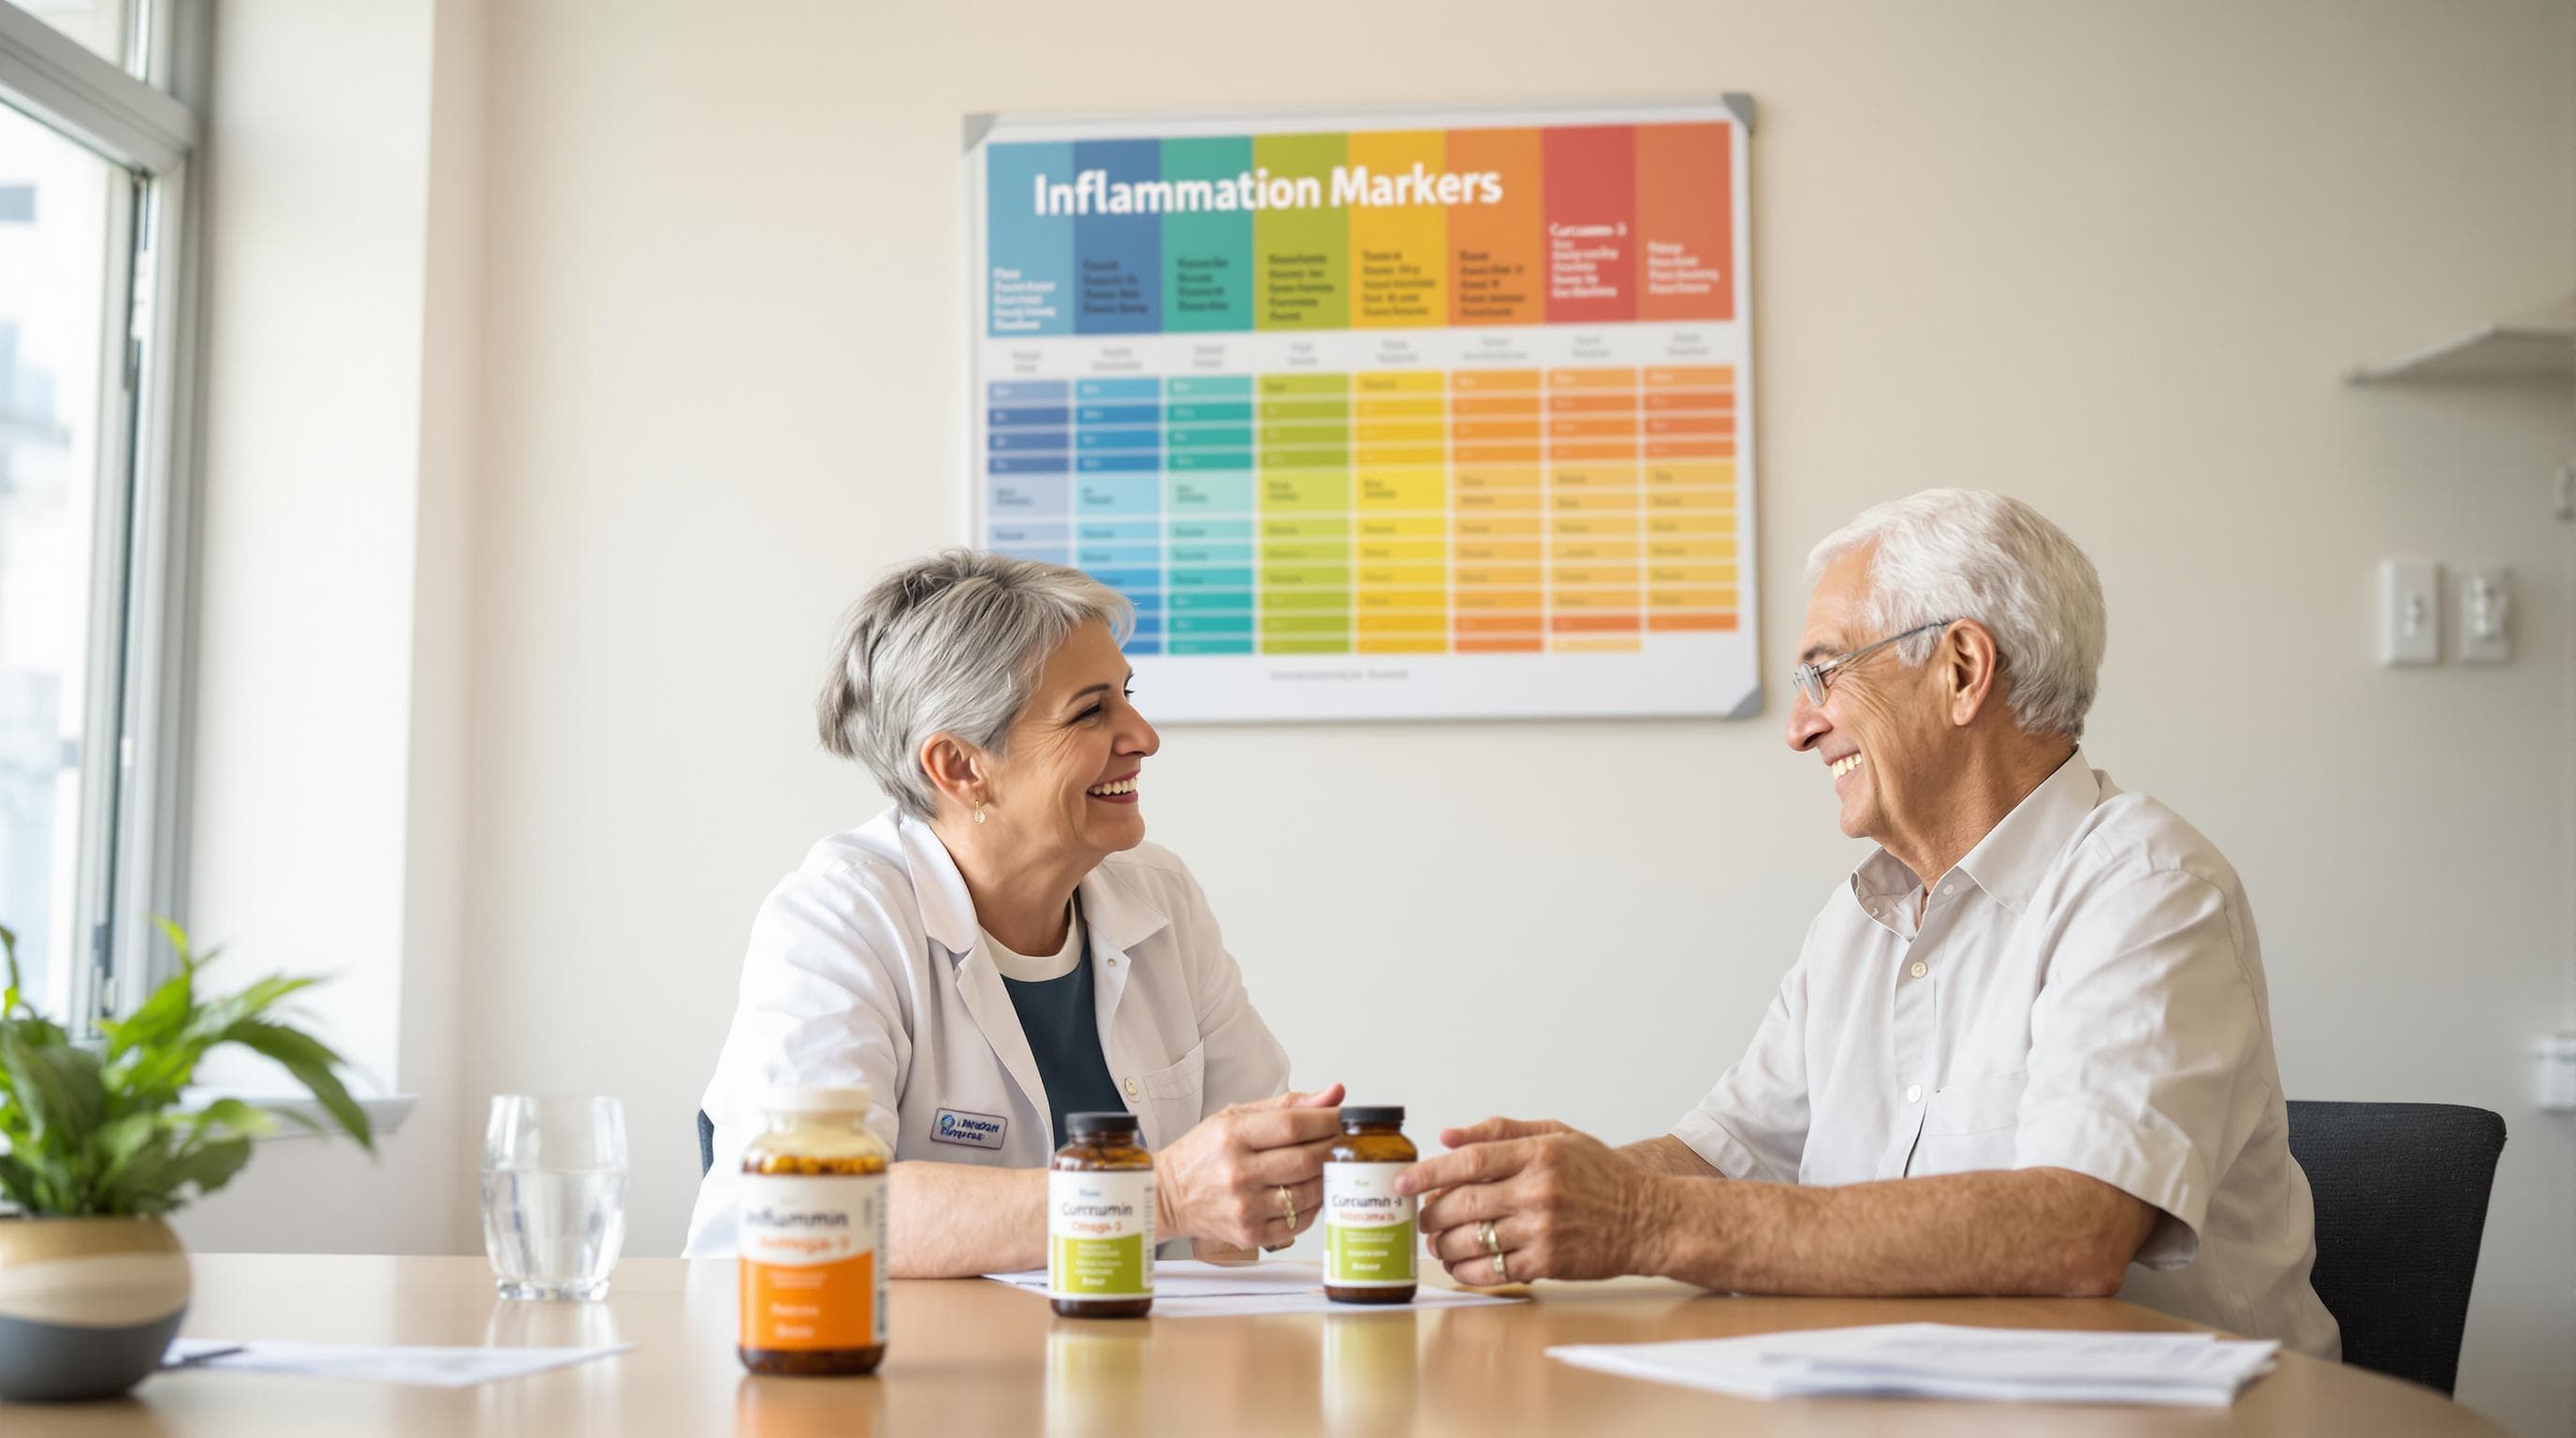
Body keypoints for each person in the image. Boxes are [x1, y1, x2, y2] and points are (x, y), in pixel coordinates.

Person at [1402, 490, 2339, 1357]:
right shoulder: (1862, 918)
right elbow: (1724, 1155)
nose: (1800, 727)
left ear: (1962, 670)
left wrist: (1636, 1219)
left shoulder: (2148, 886)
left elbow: (2074, 1231)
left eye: (1825, 674)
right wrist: (1540, 1192)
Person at [684, 550, 1341, 1273]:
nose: (1144, 737)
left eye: (1127, 694)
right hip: (880, 1371)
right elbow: (818, 1210)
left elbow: (1246, 1199)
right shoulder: (837, 919)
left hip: (1126, 1364)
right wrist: (1164, 1197)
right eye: (1092, 711)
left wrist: (1352, 1189)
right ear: (961, 767)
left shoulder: (1160, 897)